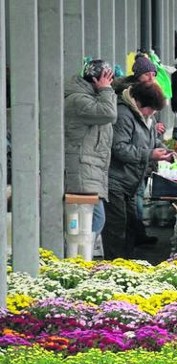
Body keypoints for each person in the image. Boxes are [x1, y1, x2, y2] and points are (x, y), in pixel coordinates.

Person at [104, 82, 174, 259]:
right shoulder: (124, 115)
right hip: (116, 180)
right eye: (151, 109)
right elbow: (119, 148)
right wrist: (150, 155)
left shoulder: (147, 117)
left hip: (131, 181)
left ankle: (126, 264)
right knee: (117, 229)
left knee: (131, 226)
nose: (153, 113)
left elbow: (151, 141)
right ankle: (114, 267)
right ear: (139, 102)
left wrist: (164, 151)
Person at [64, 59, 117, 247]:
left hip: (90, 170)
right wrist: (106, 90)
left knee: (86, 222)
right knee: (94, 219)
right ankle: (77, 258)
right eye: (108, 79)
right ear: (97, 80)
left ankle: (79, 256)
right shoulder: (79, 100)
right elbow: (109, 113)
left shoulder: (90, 98)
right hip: (81, 169)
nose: (110, 84)